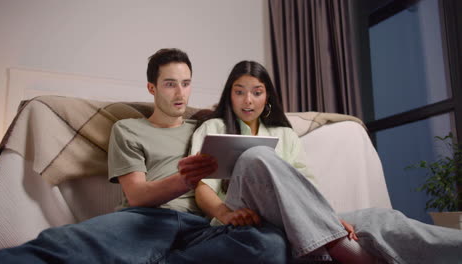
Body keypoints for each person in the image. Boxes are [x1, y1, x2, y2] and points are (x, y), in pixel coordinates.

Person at [0, 49, 289, 264]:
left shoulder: (206, 127)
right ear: (152, 87)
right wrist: (184, 179)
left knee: (271, 246)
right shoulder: (128, 129)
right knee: (62, 244)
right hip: (146, 219)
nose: (180, 93)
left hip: (203, 226)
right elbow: (136, 195)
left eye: (186, 84)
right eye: (170, 84)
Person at [190, 60, 462, 264]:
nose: (248, 100)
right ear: (230, 95)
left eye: (257, 92)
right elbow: (202, 186)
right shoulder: (213, 126)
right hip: (239, 215)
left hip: (294, 220)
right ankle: (338, 247)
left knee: (382, 218)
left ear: (267, 96)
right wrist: (226, 214)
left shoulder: (285, 134)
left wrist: (327, 217)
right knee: (256, 156)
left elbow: (306, 185)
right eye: (240, 92)